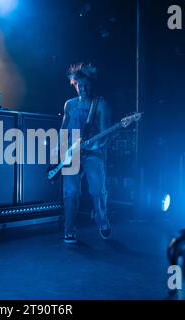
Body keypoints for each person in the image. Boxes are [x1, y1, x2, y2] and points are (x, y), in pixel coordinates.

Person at [60, 62, 112, 243]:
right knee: (70, 192)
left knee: (97, 190)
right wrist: (63, 150)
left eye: (86, 85)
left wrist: (91, 146)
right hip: (72, 152)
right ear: (73, 84)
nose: (83, 88)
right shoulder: (69, 104)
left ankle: (102, 220)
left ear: (91, 83)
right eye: (78, 85)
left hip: (93, 152)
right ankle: (69, 228)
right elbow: (63, 130)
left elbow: (105, 135)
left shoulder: (101, 104)